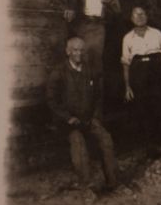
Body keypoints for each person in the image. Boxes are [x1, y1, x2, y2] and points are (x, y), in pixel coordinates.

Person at [45, 37, 118, 192]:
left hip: (88, 119)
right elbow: (52, 101)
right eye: (75, 50)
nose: (79, 53)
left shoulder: (90, 70)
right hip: (69, 122)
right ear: (68, 52)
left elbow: (98, 96)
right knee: (78, 143)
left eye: (81, 50)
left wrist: (95, 117)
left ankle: (112, 182)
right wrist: (68, 118)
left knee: (106, 139)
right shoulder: (59, 72)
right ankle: (87, 185)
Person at [121, 6, 161, 157]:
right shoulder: (127, 38)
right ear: (132, 19)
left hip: (157, 72)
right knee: (144, 112)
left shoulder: (157, 33)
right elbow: (126, 63)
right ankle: (153, 150)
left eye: (142, 13)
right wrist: (127, 86)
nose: (139, 16)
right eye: (136, 14)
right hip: (139, 74)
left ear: (146, 16)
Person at [62, 0, 120, 70]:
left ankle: (95, 86)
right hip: (82, 24)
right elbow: (72, 2)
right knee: (80, 56)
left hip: (98, 25)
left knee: (95, 58)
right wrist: (70, 10)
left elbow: (118, 10)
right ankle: (82, 85)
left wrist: (110, 3)